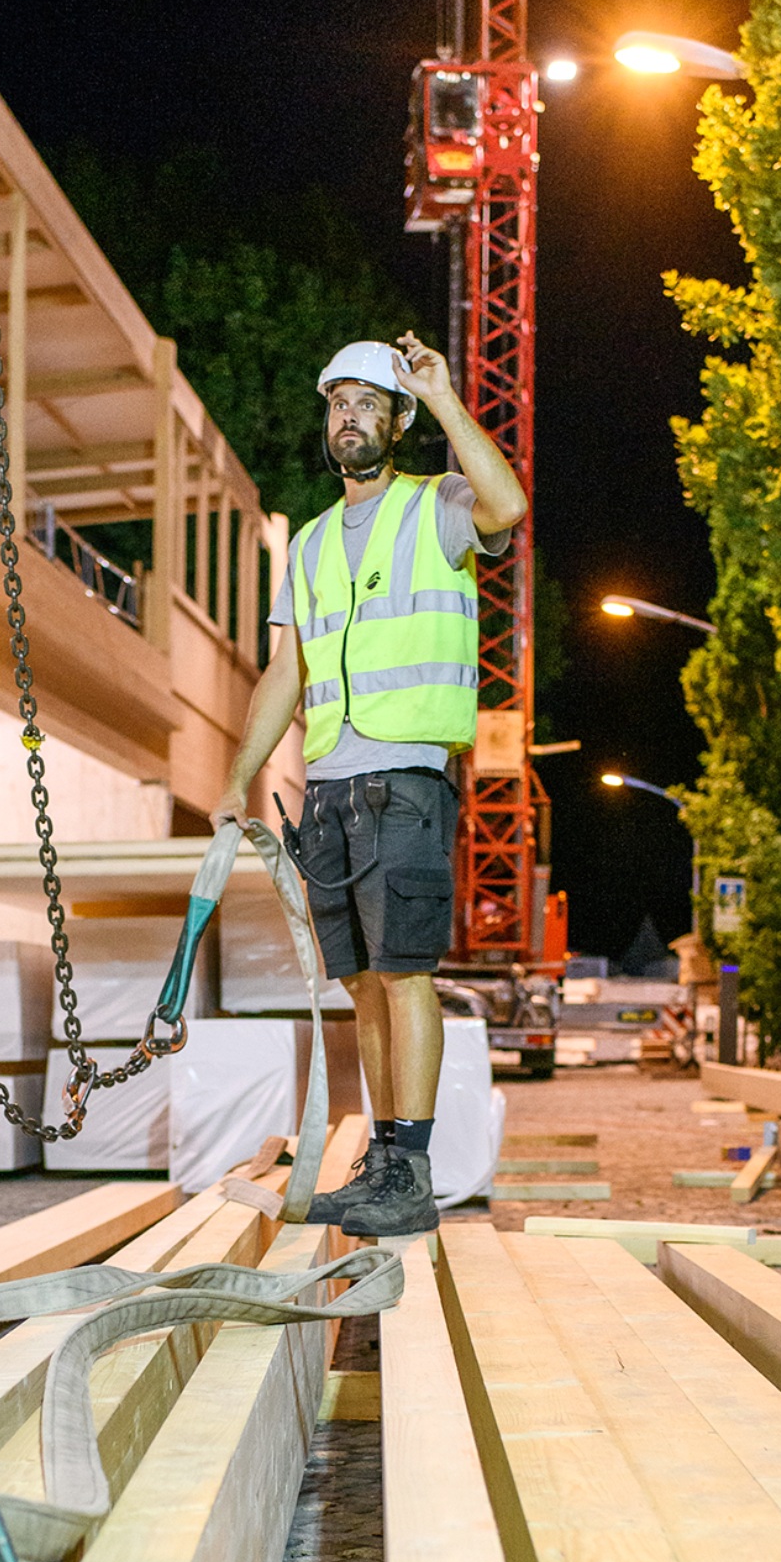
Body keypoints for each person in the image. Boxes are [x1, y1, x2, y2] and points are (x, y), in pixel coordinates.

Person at [213, 333, 526, 1235]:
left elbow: (508, 503)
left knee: (404, 973)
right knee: (360, 984)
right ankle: (385, 1158)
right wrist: (238, 778)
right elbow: (287, 672)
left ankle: (411, 1170)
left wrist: (445, 399)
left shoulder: (439, 505)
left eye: (366, 403)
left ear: (397, 423)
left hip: (405, 779)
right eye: (336, 402)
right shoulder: (308, 544)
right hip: (331, 791)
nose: (346, 416)